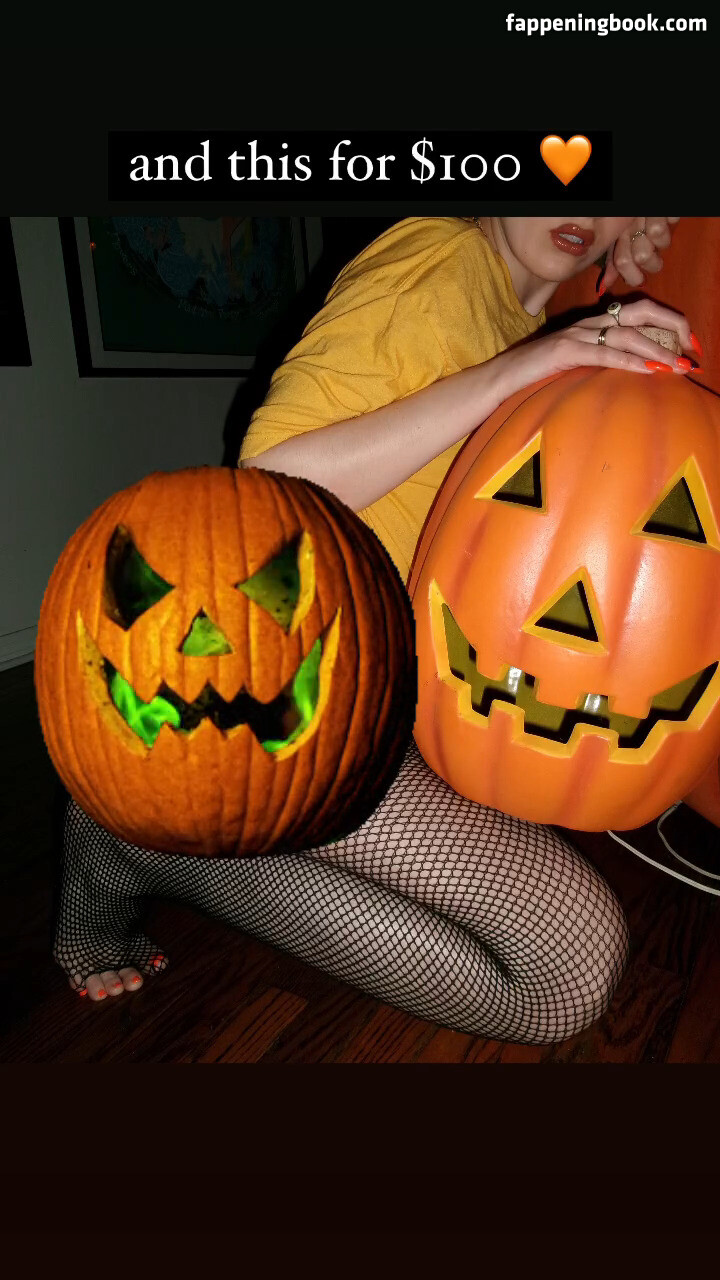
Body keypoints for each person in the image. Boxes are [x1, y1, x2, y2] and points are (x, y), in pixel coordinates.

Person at [56, 216, 699, 1045]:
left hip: (379, 683)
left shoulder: (522, 316)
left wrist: (581, 336)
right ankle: (132, 851)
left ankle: (164, 844)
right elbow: (270, 483)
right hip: (269, 686)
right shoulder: (440, 259)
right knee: (568, 967)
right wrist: (522, 368)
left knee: (558, 959)